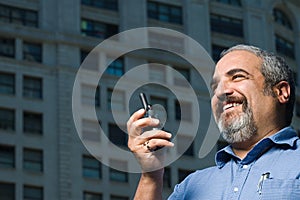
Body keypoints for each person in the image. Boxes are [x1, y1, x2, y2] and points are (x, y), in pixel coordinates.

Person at [127, 44, 300, 199]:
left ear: (281, 92)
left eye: (238, 77)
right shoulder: (191, 186)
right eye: (215, 87)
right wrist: (151, 176)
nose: (221, 92)